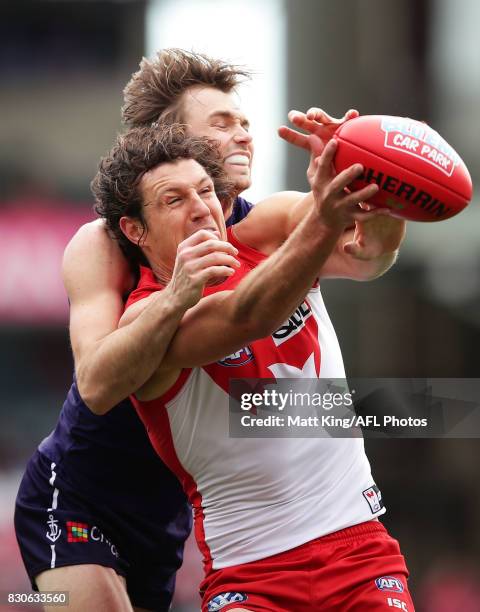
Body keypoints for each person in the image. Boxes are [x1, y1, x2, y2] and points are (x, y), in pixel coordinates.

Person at [14, 49, 404, 611]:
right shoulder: (106, 243)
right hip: (82, 495)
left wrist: (374, 179)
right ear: (171, 141)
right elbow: (98, 385)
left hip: (175, 504)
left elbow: (369, 257)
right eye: (221, 125)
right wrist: (176, 294)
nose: (244, 135)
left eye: (244, 122)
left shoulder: (264, 221)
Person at [92, 122, 414, 612]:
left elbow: (372, 255)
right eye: (174, 200)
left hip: (359, 551)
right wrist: (321, 221)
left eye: (205, 192)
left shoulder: (267, 239)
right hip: (251, 576)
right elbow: (247, 315)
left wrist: (382, 189)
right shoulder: (147, 314)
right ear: (135, 230)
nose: (201, 207)